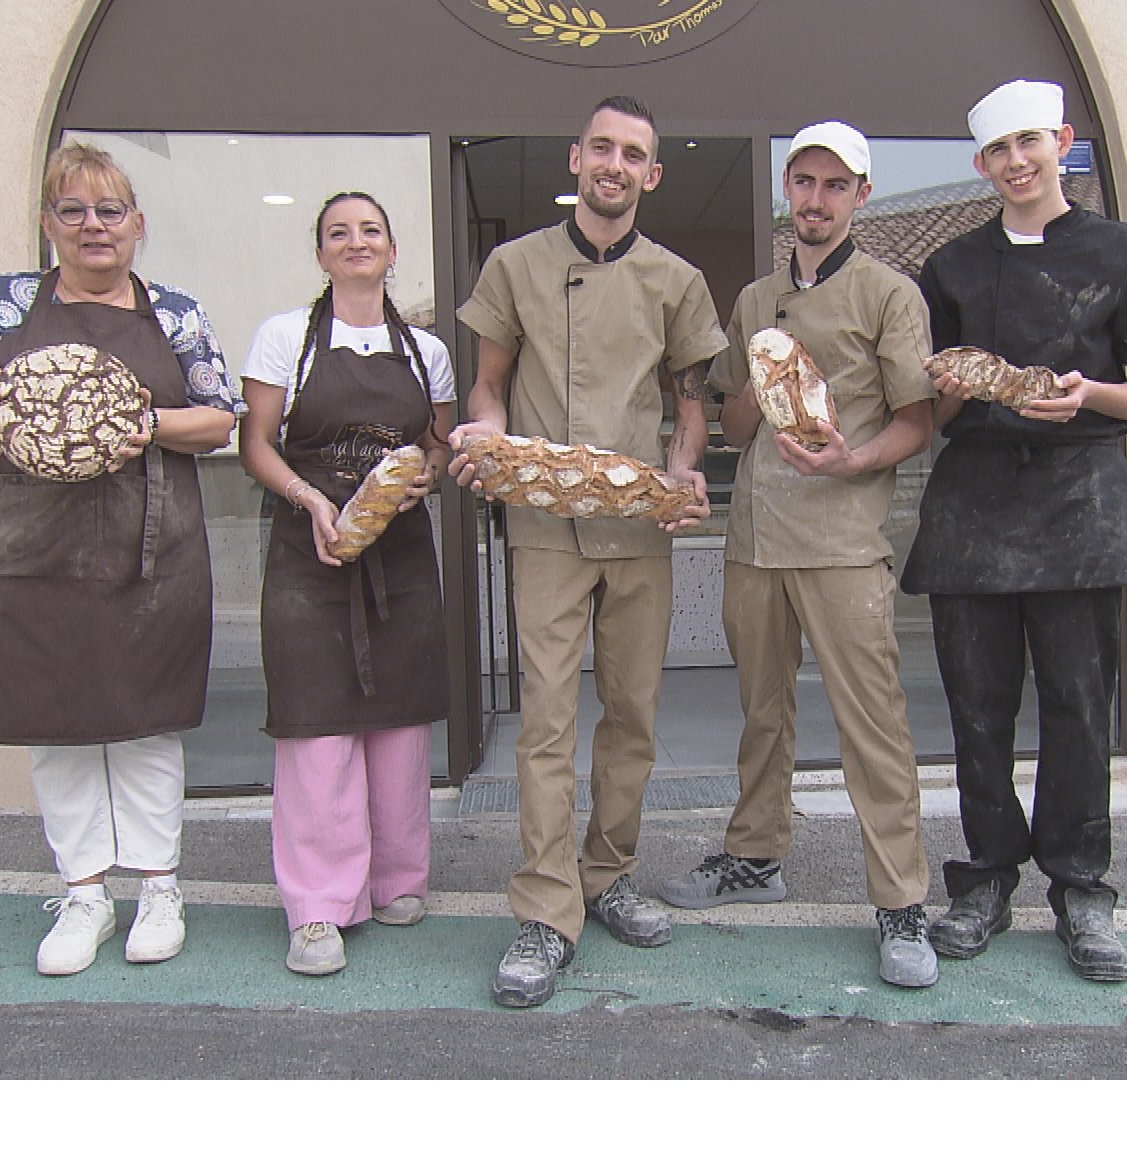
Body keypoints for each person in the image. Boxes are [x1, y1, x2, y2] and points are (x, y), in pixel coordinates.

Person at [0, 142, 239, 976]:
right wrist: (2, 413)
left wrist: (141, 424)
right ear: (48, 223)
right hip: (23, 548)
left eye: (110, 211)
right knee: (53, 724)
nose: (94, 226)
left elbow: (220, 417)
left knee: (145, 721)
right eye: (73, 211)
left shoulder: (175, 315)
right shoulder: (0, 307)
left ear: (138, 226)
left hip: (147, 545)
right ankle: (84, 892)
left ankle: (160, 887)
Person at [901, 80, 1127, 982]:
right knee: (976, 709)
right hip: (974, 502)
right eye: (997, 151)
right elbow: (937, 407)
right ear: (980, 165)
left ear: (1062, 140)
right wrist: (963, 381)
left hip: (1081, 501)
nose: (1017, 163)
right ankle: (984, 875)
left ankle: (1082, 888)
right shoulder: (947, 267)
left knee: (1078, 706)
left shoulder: (1124, 251)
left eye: (1030, 142)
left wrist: (1085, 392)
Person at [449, 95, 727, 1008]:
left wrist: (685, 473)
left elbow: (691, 409)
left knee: (634, 715)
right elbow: (488, 389)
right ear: (575, 159)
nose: (614, 163)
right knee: (545, 722)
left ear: (652, 173)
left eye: (633, 153)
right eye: (600, 147)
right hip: (543, 527)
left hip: (639, 526)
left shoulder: (677, 281)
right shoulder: (514, 266)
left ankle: (608, 874)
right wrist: (485, 443)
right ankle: (544, 908)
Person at [660, 122, 939, 989]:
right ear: (788, 190)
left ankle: (900, 900)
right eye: (803, 183)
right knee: (761, 714)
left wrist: (850, 457)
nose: (815, 201)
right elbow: (734, 430)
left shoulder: (889, 294)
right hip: (756, 541)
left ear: (859, 193)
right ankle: (755, 856)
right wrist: (762, 379)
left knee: (874, 726)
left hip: (844, 544)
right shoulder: (752, 301)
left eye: (834, 185)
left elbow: (918, 418)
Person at [238, 192, 456, 977]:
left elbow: (435, 448)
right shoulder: (285, 338)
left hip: (397, 549)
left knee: (399, 727)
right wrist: (311, 500)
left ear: (392, 251)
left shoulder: (426, 351)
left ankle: (398, 877)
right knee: (317, 726)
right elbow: (254, 444)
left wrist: (421, 480)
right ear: (322, 255)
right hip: (310, 547)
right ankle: (319, 906)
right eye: (339, 233)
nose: (355, 242)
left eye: (370, 231)